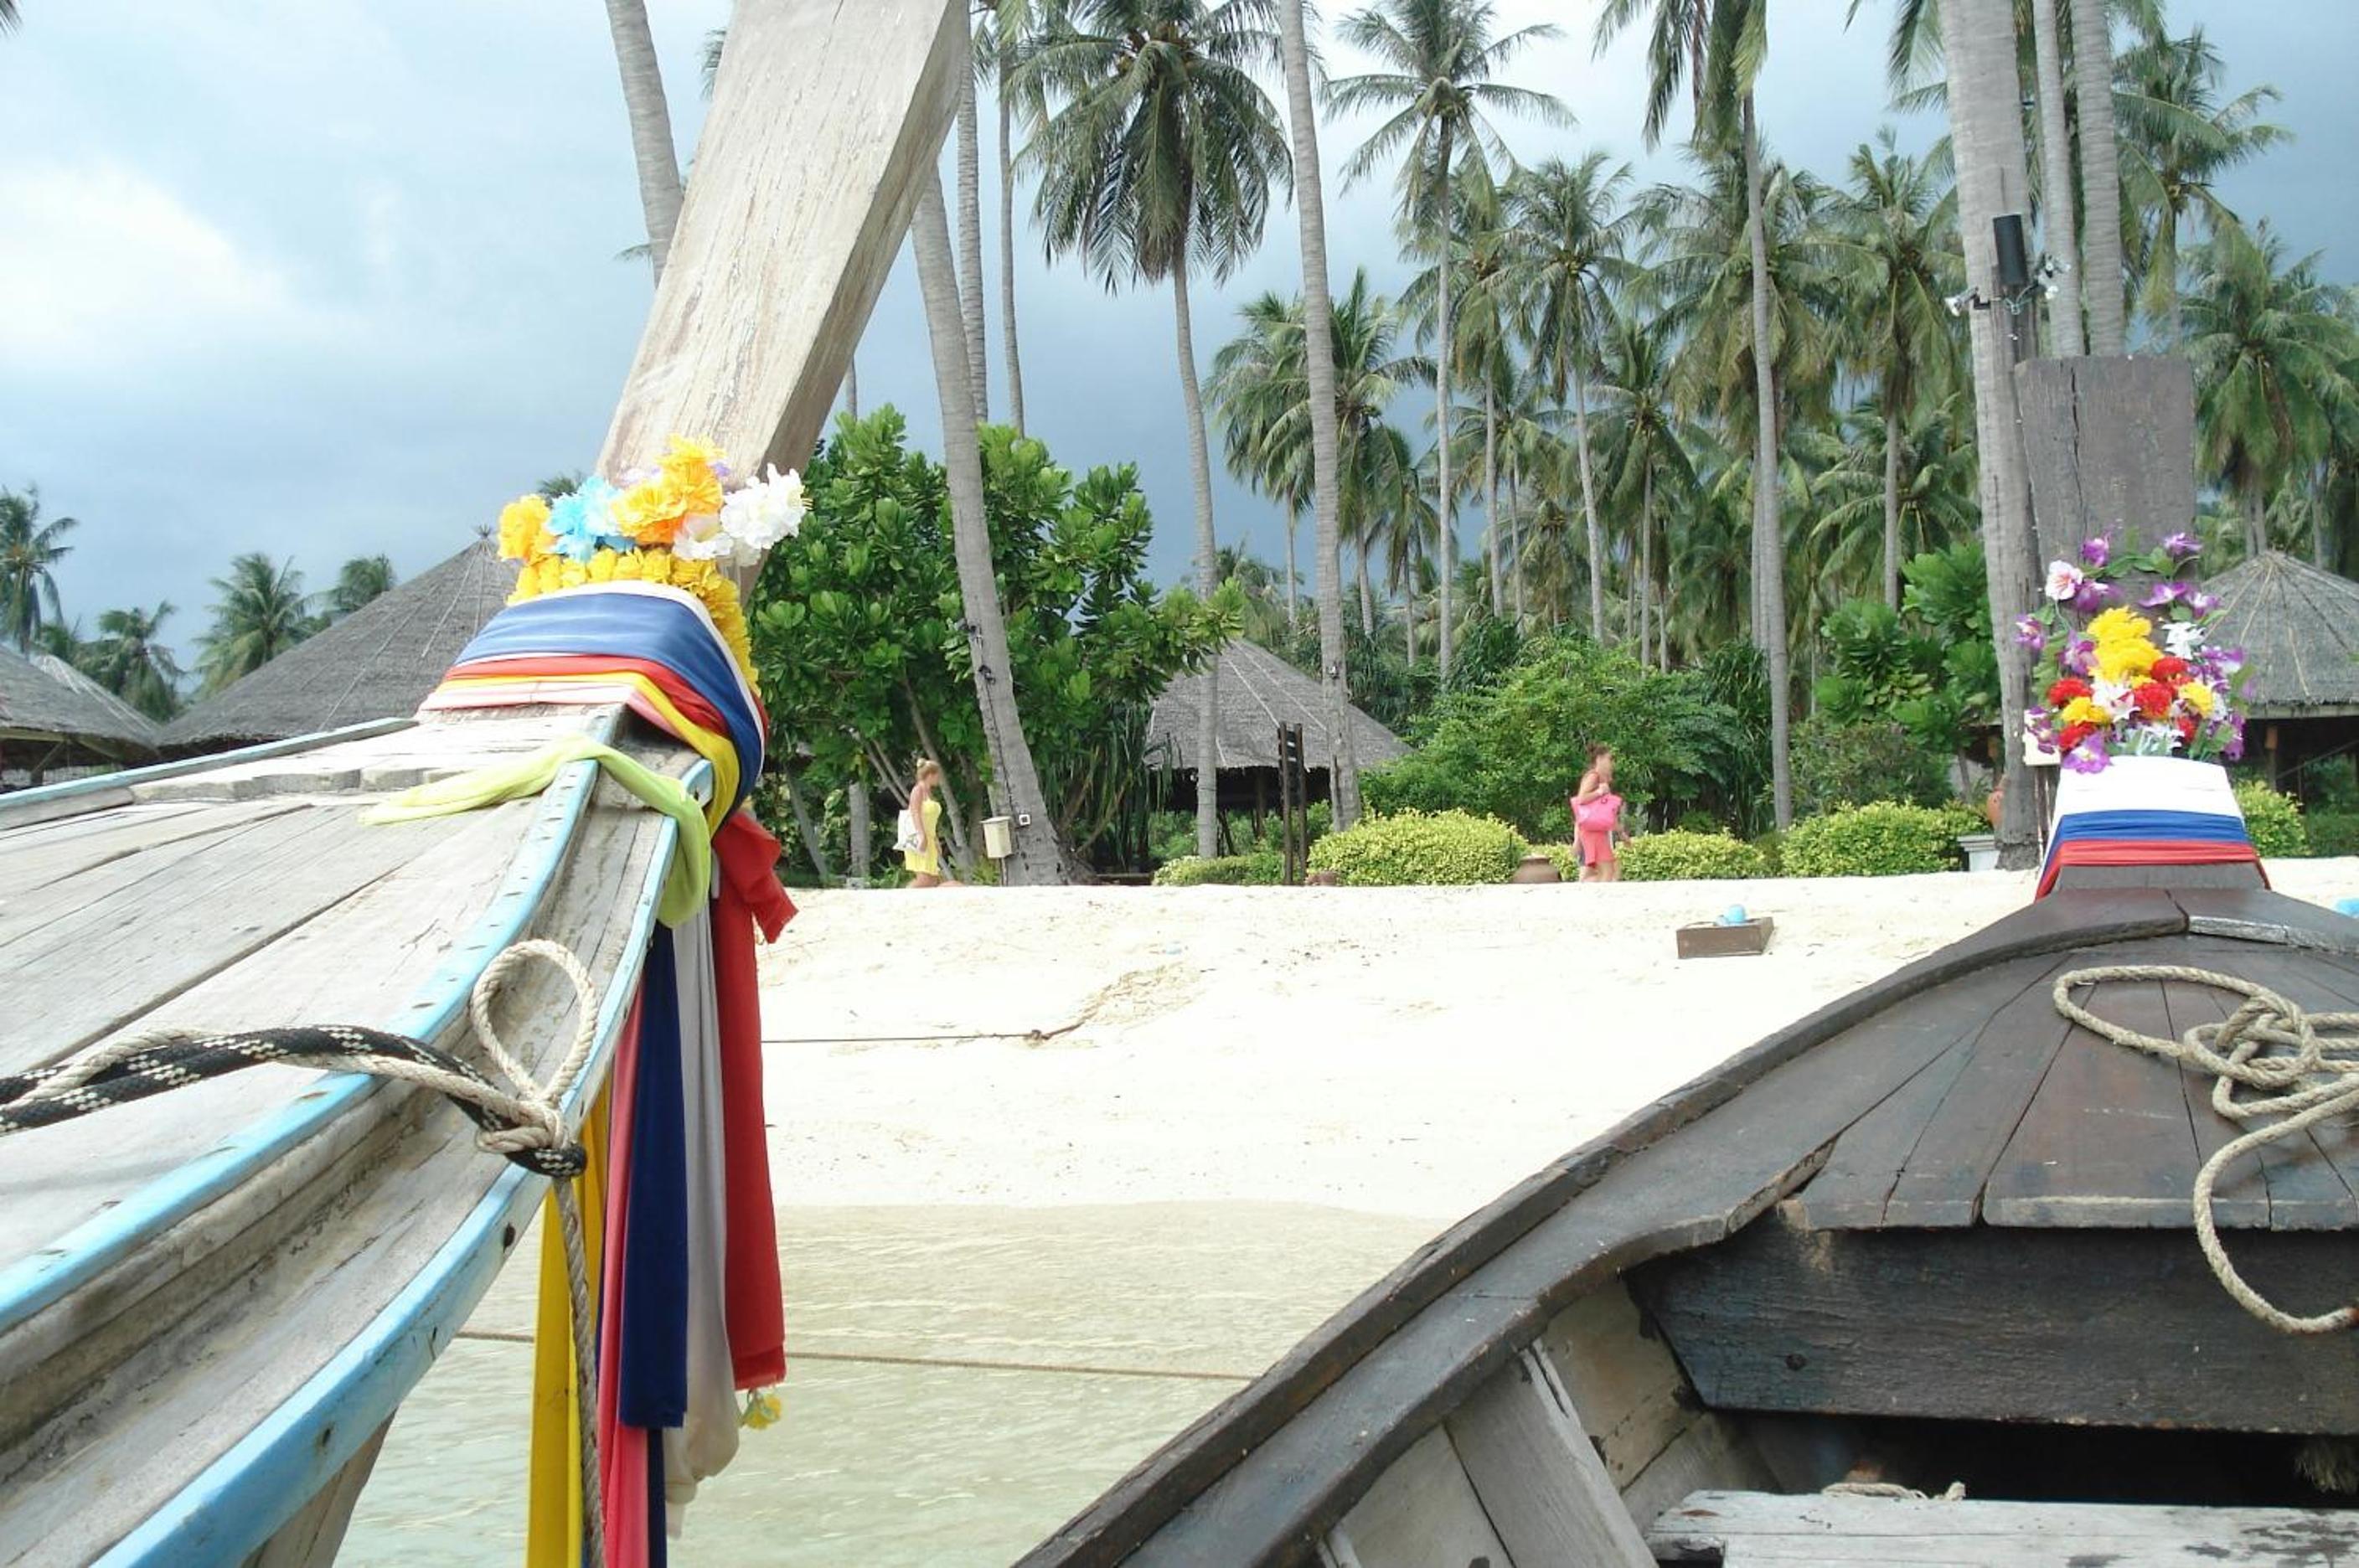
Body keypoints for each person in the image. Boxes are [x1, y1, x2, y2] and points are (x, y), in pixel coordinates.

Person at [901, 759, 960, 889]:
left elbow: (931, 820)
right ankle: (904, 896)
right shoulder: (918, 790)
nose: (939, 778)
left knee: (931, 880)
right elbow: (915, 812)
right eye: (937, 775)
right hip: (920, 837)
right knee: (924, 880)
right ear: (930, 775)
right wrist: (922, 835)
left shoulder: (928, 793)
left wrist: (935, 839)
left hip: (930, 837)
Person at [1570, 743, 1623, 883]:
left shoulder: (1601, 778)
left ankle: (1587, 888)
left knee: (1606, 870)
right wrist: (1600, 792)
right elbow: (1581, 799)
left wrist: (1621, 832)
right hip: (1591, 831)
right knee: (1608, 871)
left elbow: (1608, 811)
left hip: (1596, 830)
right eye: (1609, 759)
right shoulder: (1594, 776)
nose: (1611, 763)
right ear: (1599, 759)